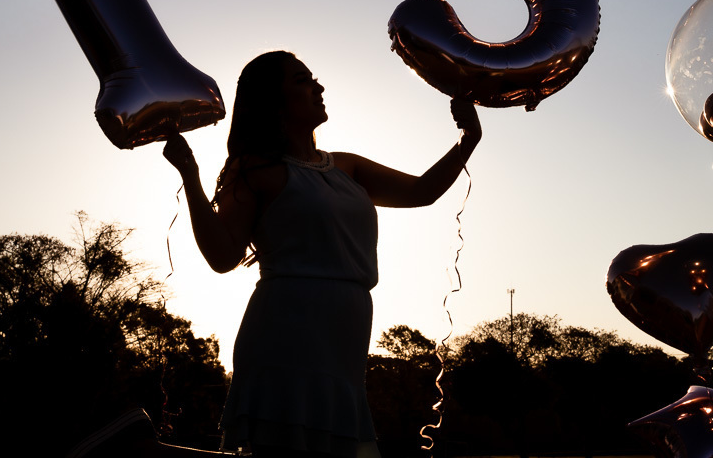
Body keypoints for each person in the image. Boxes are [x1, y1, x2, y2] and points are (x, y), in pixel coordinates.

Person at [162, 50, 481, 458]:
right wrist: (190, 176)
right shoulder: (254, 169)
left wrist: (468, 139)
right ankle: (138, 451)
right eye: (301, 80)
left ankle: (137, 449)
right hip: (285, 333)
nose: (318, 87)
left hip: (344, 340)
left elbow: (422, 191)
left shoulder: (346, 166)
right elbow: (224, 256)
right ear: (273, 99)